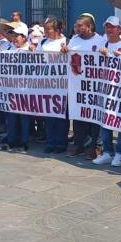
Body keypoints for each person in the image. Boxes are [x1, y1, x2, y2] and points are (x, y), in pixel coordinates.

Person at [63, 13, 105, 158]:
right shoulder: (73, 40)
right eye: (76, 25)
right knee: (78, 115)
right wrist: (64, 52)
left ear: (89, 27)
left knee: (93, 117)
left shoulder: (101, 40)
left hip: (94, 87)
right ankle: (78, 144)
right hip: (76, 85)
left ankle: (94, 147)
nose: (76, 28)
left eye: (80, 26)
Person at [92, 16, 121, 166]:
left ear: (119, 29)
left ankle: (120, 153)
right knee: (105, 120)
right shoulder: (103, 43)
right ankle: (108, 151)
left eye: (113, 27)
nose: (109, 30)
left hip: (120, 90)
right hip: (105, 88)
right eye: (107, 27)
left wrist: (110, 56)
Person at [38, 18, 69, 153]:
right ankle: (50, 142)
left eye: (48, 29)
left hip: (62, 85)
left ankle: (61, 143)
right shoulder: (43, 42)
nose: (45, 32)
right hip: (47, 84)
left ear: (57, 30)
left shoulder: (67, 42)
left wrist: (67, 52)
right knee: (49, 115)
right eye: (45, 29)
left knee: (62, 116)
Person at [0, 25, 32, 152]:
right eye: (13, 36)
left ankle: (24, 141)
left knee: (24, 118)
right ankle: (12, 140)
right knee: (11, 117)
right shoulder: (9, 48)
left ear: (24, 37)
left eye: (17, 36)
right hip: (11, 90)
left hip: (26, 90)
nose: (14, 39)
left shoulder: (31, 49)